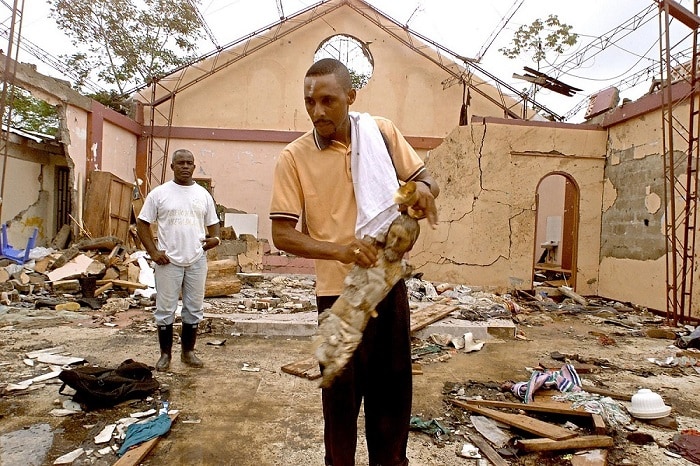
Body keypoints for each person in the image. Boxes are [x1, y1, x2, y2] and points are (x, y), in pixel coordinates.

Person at [270, 58, 439, 466]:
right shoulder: (293, 158)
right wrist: (341, 250)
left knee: (392, 406)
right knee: (340, 413)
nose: (318, 111)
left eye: (328, 100)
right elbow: (282, 234)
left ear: (351, 96)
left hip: (388, 289)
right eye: (310, 102)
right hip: (337, 300)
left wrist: (423, 190)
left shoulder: (380, 133)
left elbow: (425, 177)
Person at [136, 149, 221, 372]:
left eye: (189, 163)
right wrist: (153, 252)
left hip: (196, 260)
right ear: (172, 167)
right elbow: (142, 223)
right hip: (168, 261)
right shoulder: (159, 194)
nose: (185, 166)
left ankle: (188, 352)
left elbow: (214, 224)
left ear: (194, 167)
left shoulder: (203, 195)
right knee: (165, 309)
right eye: (180, 163)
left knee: (193, 309)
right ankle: (165, 355)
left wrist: (216, 239)